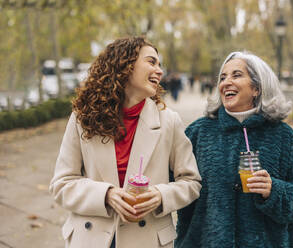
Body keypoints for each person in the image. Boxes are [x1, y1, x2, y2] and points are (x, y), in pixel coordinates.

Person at [49, 37, 201, 248]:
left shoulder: (169, 121)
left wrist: (160, 195)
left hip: (147, 239)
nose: (159, 71)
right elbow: (61, 185)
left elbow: (191, 182)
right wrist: (106, 195)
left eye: (160, 65)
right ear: (125, 65)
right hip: (91, 237)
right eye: (151, 62)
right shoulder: (82, 118)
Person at [175, 51, 293, 248]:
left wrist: (273, 190)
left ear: (257, 88)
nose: (226, 82)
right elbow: (173, 181)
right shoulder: (198, 132)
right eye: (223, 77)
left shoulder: (283, 136)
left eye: (236, 75)